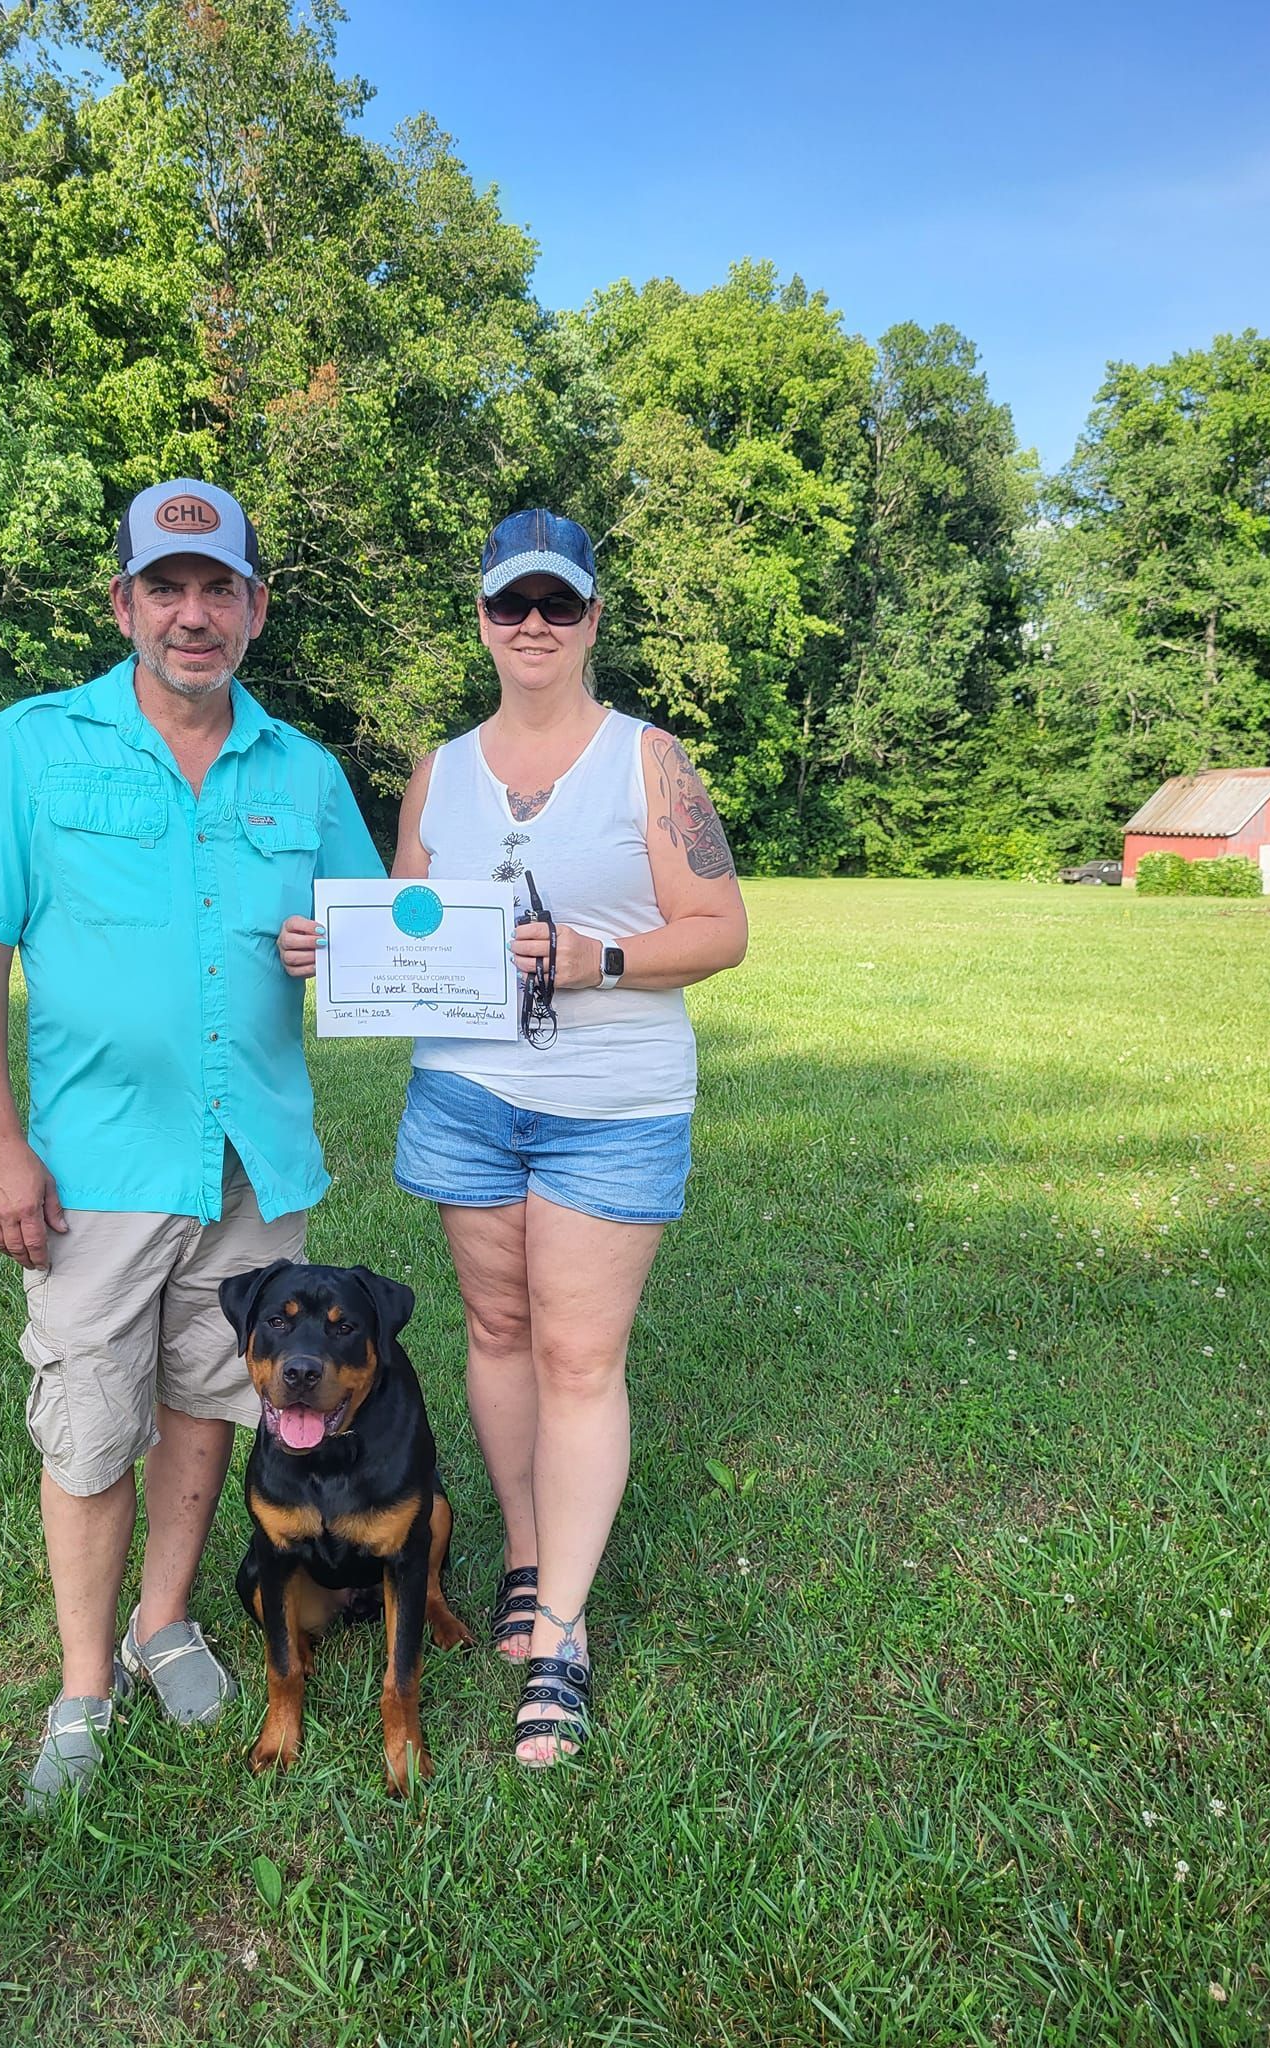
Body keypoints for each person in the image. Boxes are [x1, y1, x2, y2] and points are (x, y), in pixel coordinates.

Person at [0, 479, 380, 1807]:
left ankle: (164, 1622)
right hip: (95, 1172)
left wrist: (340, 945)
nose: (194, 614)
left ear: (255, 607)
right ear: (125, 602)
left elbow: (386, 934)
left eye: (219, 589)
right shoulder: (32, 746)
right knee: (87, 1426)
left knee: (211, 1399)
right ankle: (83, 1687)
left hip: (254, 1169)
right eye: (167, 588)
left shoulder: (303, 771)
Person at [386, 508, 748, 1765]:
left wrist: (597, 958)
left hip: (612, 1108)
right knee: (498, 1330)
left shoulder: (649, 762)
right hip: (467, 1099)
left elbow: (719, 926)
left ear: (593, 617)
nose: (531, 624)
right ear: (482, 620)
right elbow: (410, 925)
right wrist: (351, 948)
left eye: (556, 603)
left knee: (581, 1360)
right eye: (508, 605)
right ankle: (530, 1556)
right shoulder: (439, 770)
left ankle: (564, 1638)